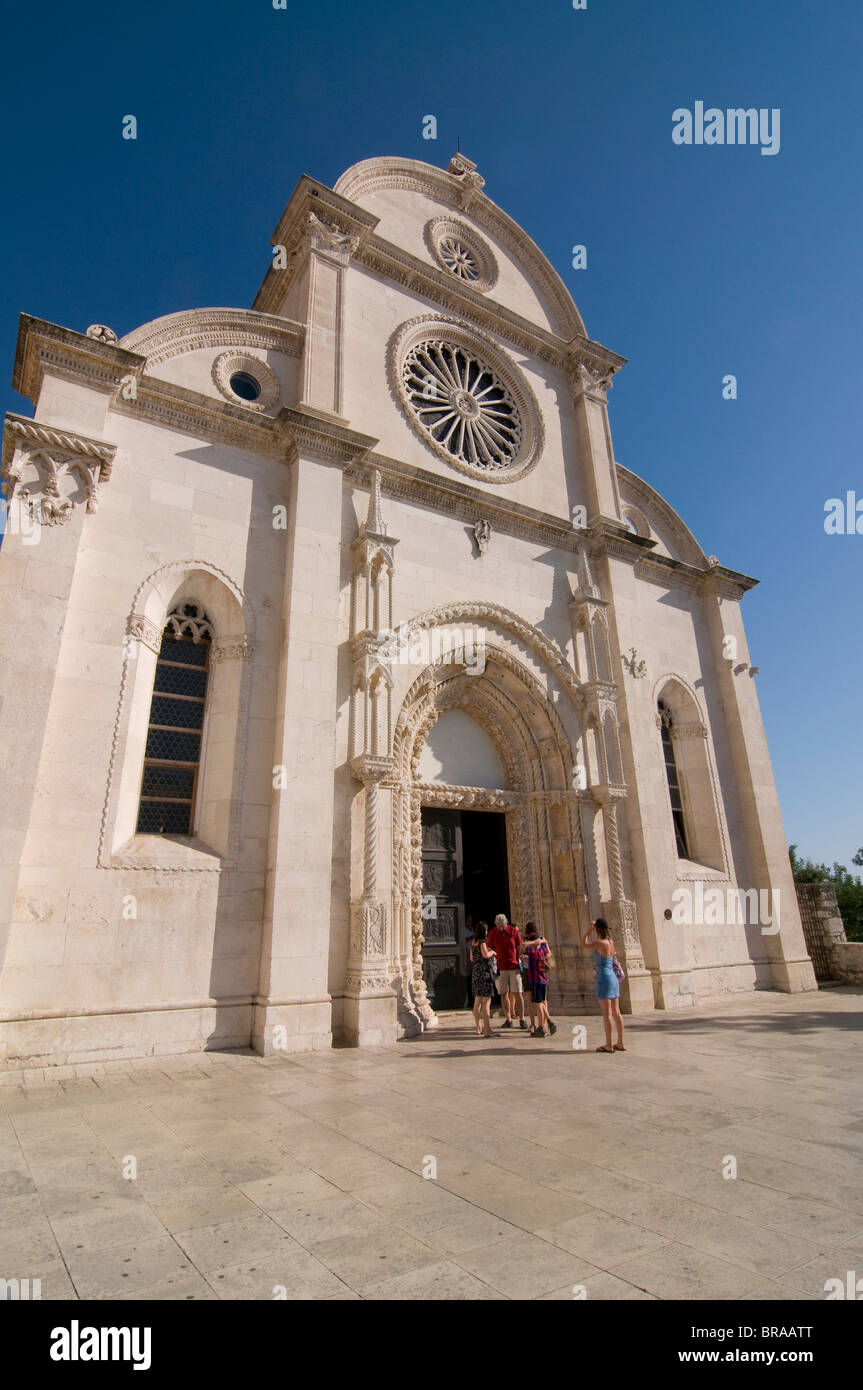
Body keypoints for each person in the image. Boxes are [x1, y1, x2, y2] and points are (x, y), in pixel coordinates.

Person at [581, 917, 625, 1053]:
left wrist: (588, 930)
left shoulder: (599, 943)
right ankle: (620, 1042)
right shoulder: (610, 942)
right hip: (613, 978)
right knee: (617, 1012)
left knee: (607, 1014)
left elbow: (583, 943)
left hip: (604, 979)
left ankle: (608, 1045)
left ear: (597, 929)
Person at [487, 913, 527, 1029]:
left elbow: (519, 946)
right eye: (499, 926)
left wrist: (520, 957)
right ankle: (508, 1019)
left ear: (506, 923)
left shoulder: (513, 931)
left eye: (502, 926)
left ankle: (522, 1019)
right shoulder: (493, 933)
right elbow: (490, 947)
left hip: (514, 967)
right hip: (501, 967)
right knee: (503, 993)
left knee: (518, 993)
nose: (501, 928)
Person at [521, 923, 557, 1037]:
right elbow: (548, 953)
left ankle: (541, 1027)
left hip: (534, 979)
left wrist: (531, 942)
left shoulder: (531, 952)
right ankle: (548, 1023)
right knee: (542, 1002)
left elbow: (523, 946)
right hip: (543, 979)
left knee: (538, 1004)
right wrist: (542, 941)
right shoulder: (542, 951)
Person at [470, 921, 496, 1037]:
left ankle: (478, 1027)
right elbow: (485, 955)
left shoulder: (473, 942)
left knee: (477, 1001)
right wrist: (493, 952)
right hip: (484, 973)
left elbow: (471, 958)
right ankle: (487, 1030)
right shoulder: (482, 942)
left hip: (476, 972)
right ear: (484, 931)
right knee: (486, 1002)